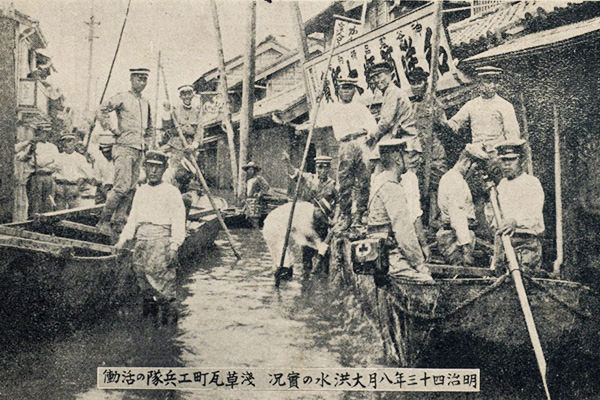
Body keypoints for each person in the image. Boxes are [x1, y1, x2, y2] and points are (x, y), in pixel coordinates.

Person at [115, 150, 186, 325]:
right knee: (145, 288)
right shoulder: (141, 191)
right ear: (144, 168)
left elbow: (178, 222)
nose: (153, 171)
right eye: (150, 167)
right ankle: (150, 333)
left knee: (164, 291)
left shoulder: (172, 192)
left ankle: (169, 335)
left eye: (158, 167)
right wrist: (122, 240)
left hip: (161, 244)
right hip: (141, 244)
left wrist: (174, 246)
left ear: (164, 169)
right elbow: (133, 220)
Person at [313, 77, 378, 229]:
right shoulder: (333, 108)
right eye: (343, 88)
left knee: (363, 181)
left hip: (360, 143)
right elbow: (318, 121)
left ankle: (360, 215)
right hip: (345, 144)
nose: (346, 91)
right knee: (345, 182)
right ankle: (346, 215)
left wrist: (367, 137)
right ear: (339, 91)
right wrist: (318, 101)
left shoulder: (361, 108)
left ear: (354, 90)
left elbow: (373, 127)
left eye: (349, 88)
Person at [97, 67, 154, 235]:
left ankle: (119, 221)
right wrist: (112, 128)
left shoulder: (146, 102)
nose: (142, 82)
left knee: (131, 188)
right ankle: (103, 221)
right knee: (121, 187)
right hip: (123, 147)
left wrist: (148, 143)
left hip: (139, 149)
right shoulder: (122, 97)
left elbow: (150, 128)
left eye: (145, 79)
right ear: (131, 79)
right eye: (139, 79)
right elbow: (102, 109)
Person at [367, 138, 432, 281]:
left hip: (378, 253)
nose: (407, 160)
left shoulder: (380, 181)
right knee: (427, 281)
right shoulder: (392, 188)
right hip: (389, 256)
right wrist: (419, 264)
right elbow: (404, 233)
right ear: (397, 158)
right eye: (404, 154)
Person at [492, 139, 545, 272]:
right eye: (503, 160)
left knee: (524, 282)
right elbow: (494, 217)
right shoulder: (501, 186)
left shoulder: (531, 183)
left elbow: (533, 214)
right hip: (503, 244)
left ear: (521, 161)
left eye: (512, 160)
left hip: (525, 243)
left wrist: (515, 221)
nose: (507, 164)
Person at [440, 66, 520, 151]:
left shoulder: (505, 106)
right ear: (479, 83)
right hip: (477, 152)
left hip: (496, 153)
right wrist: (440, 118)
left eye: (495, 82)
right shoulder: (471, 105)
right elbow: (454, 124)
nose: (493, 86)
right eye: (488, 82)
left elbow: (513, 136)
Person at [282, 152, 337, 275]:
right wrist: (287, 162)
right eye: (319, 167)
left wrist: (335, 217)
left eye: (324, 167)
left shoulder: (333, 185)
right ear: (316, 167)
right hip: (308, 224)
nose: (321, 170)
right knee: (306, 259)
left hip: (323, 225)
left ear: (328, 168)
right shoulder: (308, 179)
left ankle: (322, 284)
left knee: (323, 261)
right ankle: (306, 285)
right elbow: (294, 173)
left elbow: (339, 203)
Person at [436, 144, 488, 266]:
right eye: (476, 168)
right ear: (467, 162)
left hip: (456, 237)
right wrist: (466, 249)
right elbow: (458, 216)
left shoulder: (452, 177)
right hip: (455, 241)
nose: (476, 174)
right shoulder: (455, 181)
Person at [366, 62, 419, 146]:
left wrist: (371, 135)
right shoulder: (389, 92)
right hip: (400, 135)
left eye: (379, 76)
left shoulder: (392, 92)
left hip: (405, 138)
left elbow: (386, 122)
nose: (376, 80)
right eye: (373, 78)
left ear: (390, 76)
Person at [161, 85, 203, 165]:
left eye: (189, 94)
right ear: (180, 97)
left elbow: (199, 130)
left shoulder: (197, 111)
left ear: (193, 95)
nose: (187, 97)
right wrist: (166, 111)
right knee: (173, 169)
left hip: (190, 147)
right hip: (176, 145)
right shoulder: (175, 110)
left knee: (191, 171)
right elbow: (166, 126)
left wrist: (194, 145)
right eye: (184, 95)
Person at [54, 133, 96, 210]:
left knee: (74, 210)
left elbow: (88, 174)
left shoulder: (80, 158)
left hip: (73, 186)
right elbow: (53, 171)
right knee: (59, 210)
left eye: (69, 141)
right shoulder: (58, 157)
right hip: (60, 186)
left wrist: (81, 181)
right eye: (64, 141)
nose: (66, 144)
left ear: (74, 143)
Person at [26, 122, 60, 214]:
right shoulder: (32, 146)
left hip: (49, 177)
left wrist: (43, 163)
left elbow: (57, 163)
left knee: (48, 203)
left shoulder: (53, 147)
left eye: (46, 132)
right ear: (38, 133)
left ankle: (47, 226)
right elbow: (30, 161)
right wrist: (47, 162)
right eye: (42, 132)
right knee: (35, 204)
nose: (44, 135)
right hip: (36, 176)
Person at [243, 161, 270, 228]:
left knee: (255, 219)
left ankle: (256, 231)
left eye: (252, 169)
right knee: (249, 219)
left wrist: (259, 193)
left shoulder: (258, 178)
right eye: (248, 169)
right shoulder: (248, 180)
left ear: (255, 170)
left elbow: (266, 186)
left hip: (255, 201)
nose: (250, 171)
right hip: (249, 201)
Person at [92, 134, 115, 204]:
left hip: (116, 189)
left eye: (108, 151)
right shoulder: (99, 160)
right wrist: (104, 191)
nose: (106, 154)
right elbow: (97, 179)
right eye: (103, 152)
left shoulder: (119, 160)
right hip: (103, 189)